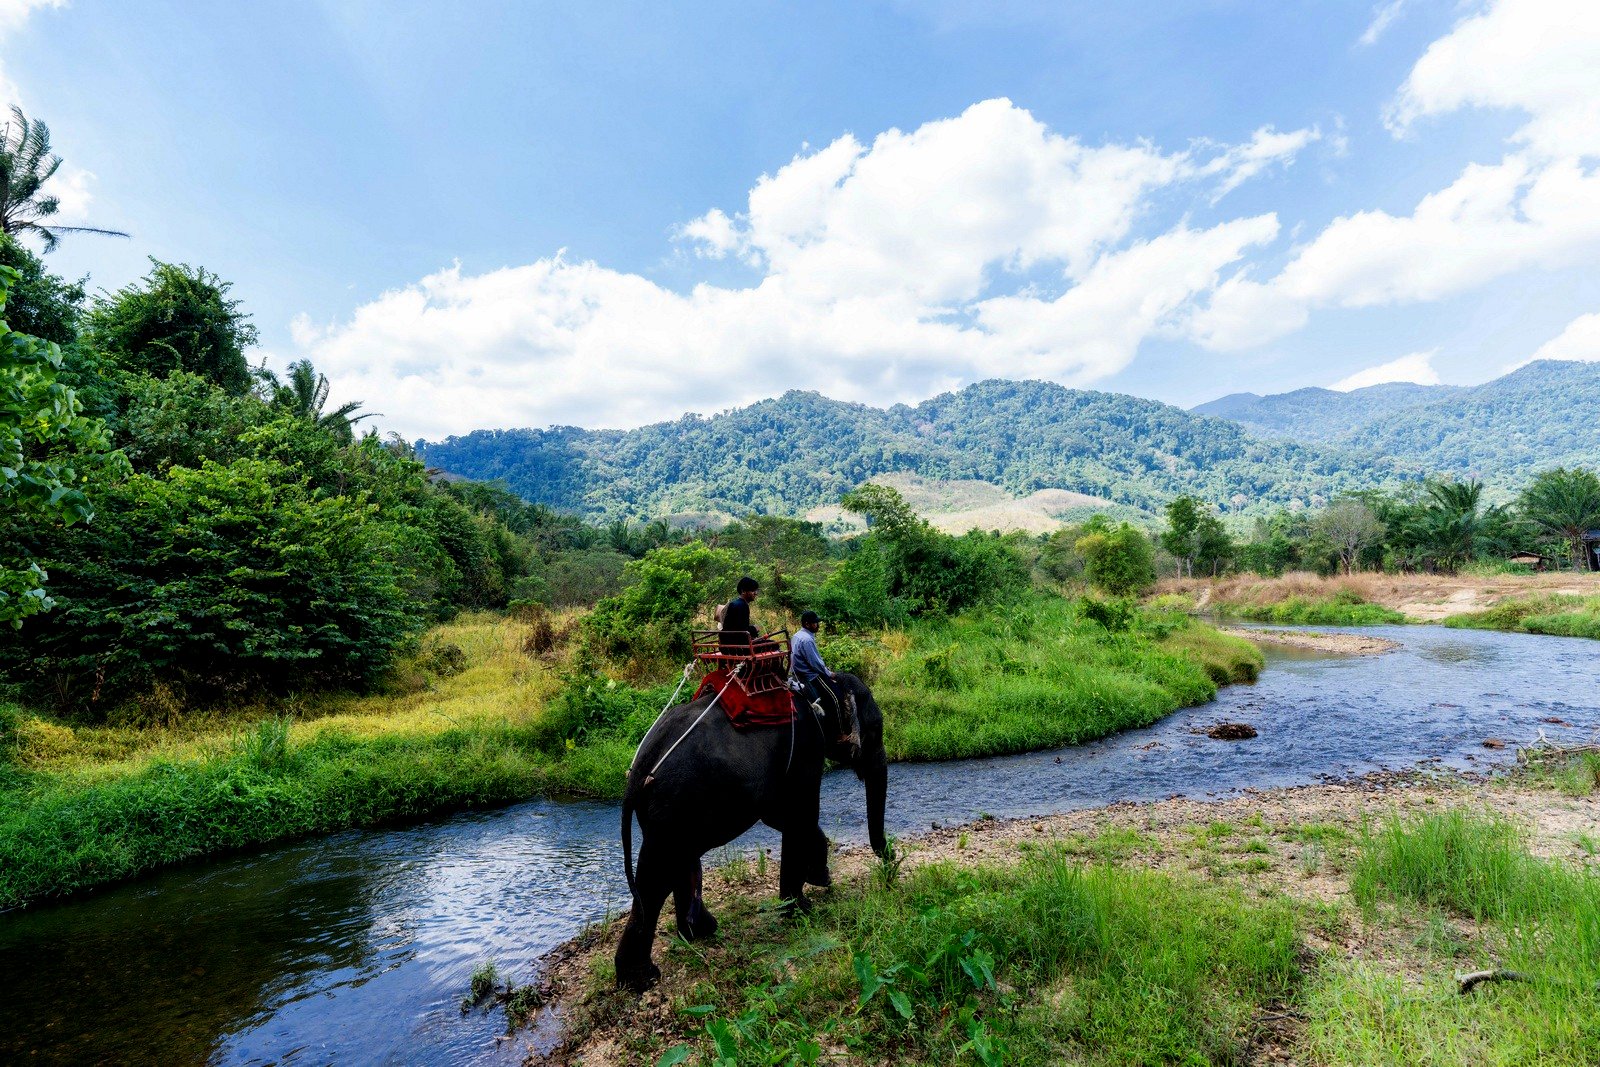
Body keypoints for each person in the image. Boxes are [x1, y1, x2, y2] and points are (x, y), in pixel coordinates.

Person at [721, 576, 760, 643]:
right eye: (752, 590)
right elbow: (742, 631)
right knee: (773, 644)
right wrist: (754, 628)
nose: (755, 593)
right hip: (738, 647)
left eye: (756, 590)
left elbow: (737, 627)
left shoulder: (735, 603)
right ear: (743, 591)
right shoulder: (742, 605)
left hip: (727, 644)